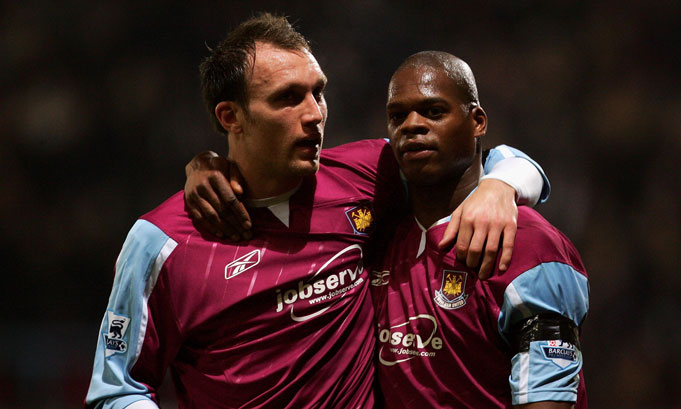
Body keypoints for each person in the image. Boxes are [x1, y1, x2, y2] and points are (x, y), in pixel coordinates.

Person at [85, 14, 548, 409]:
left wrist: (501, 185)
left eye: (318, 92)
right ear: (231, 117)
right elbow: (116, 389)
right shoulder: (160, 241)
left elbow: (466, 155)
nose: (315, 114)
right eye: (288, 98)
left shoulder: (367, 175)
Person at [370, 51, 589, 408]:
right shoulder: (378, 235)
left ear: (478, 122)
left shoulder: (531, 247)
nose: (412, 124)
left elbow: (547, 399)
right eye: (397, 116)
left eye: (433, 112)